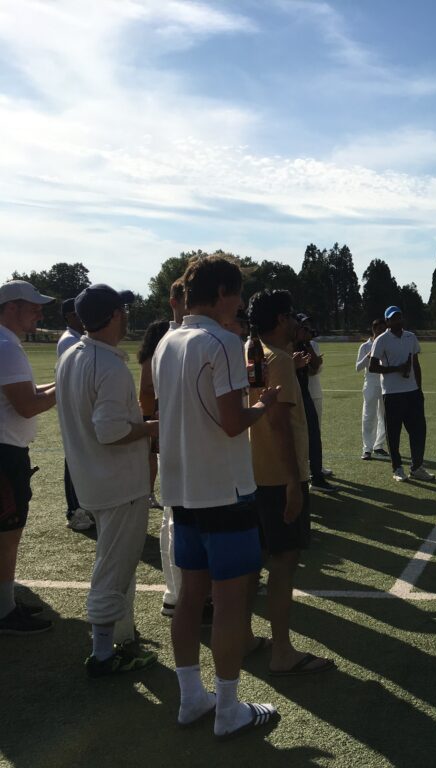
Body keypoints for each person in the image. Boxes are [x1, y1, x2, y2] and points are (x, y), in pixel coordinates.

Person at [153, 255, 280, 736]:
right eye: (238, 292)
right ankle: (228, 708)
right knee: (229, 602)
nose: (241, 302)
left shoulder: (167, 341)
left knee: (190, 597)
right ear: (223, 293)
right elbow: (231, 423)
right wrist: (262, 405)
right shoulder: (222, 341)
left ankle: (192, 698)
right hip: (225, 491)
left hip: (182, 490)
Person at [56, 284, 158, 675]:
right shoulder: (108, 365)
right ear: (115, 315)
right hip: (118, 483)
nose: (127, 316)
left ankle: (120, 637)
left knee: (119, 564)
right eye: (123, 310)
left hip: (96, 480)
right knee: (113, 568)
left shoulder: (72, 356)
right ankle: (102, 653)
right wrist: (152, 427)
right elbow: (111, 431)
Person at [246, 291, 334, 676]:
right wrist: (293, 483)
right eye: (292, 316)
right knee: (284, 563)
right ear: (281, 319)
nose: (298, 322)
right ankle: (281, 651)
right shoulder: (278, 360)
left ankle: (245, 637)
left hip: (252, 474)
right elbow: (279, 424)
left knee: (255, 561)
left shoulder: (252, 352)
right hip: (278, 477)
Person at [0, 280, 57, 635]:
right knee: (7, 536)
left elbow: (27, 393)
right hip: (5, 454)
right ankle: (4, 612)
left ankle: (4, 603)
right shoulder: (6, 346)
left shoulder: (6, 342)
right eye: (32, 306)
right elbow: (27, 406)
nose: (39, 313)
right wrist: (66, 387)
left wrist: (59, 381)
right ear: (11, 307)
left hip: (7, 450)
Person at [369, 306, 434, 482]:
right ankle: (397, 468)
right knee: (394, 433)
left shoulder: (410, 337)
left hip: (412, 392)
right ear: (387, 321)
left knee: (418, 432)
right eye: (393, 318)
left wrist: (419, 389)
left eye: (399, 317)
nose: (397, 321)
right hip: (392, 393)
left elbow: (416, 364)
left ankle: (417, 467)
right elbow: (373, 367)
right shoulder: (381, 340)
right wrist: (396, 369)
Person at [159, 278, 186, 618]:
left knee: (174, 520)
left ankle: (178, 592)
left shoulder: (176, 340)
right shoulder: (170, 341)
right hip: (178, 444)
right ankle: (179, 593)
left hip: (179, 441)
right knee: (176, 521)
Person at [56, 297, 91, 530]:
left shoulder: (77, 338)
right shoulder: (70, 340)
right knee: (74, 458)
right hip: (75, 406)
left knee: (81, 457)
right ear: (70, 316)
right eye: (78, 313)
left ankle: (83, 507)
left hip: (79, 405)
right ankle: (74, 511)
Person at [293, 314, 334, 492]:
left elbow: (315, 366)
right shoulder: (288, 346)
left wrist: (308, 344)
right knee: (298, 440)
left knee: (314, 436)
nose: (308, 331)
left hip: (305, 394)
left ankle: (316, 476)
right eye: (304, 328)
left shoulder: (305, 345)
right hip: (294, 396)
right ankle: (303, 478)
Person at [138, 320, 171, 509]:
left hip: (157, 409)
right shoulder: (150, 357)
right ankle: (148, 494)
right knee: (150, 456)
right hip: (149, 410)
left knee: (154, 455)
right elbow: (146, 386)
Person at [356, 319, 389, 460]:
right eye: (380, 329)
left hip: (385, 383)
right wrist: (368, 356)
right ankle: (367, 448)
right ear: (374, 329)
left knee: (384, 416)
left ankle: (378, 445)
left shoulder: (386, 344)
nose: (382, 332)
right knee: (368, 416)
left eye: (384, 329)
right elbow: (358, 367)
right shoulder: (365, 346)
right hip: (370, 384)